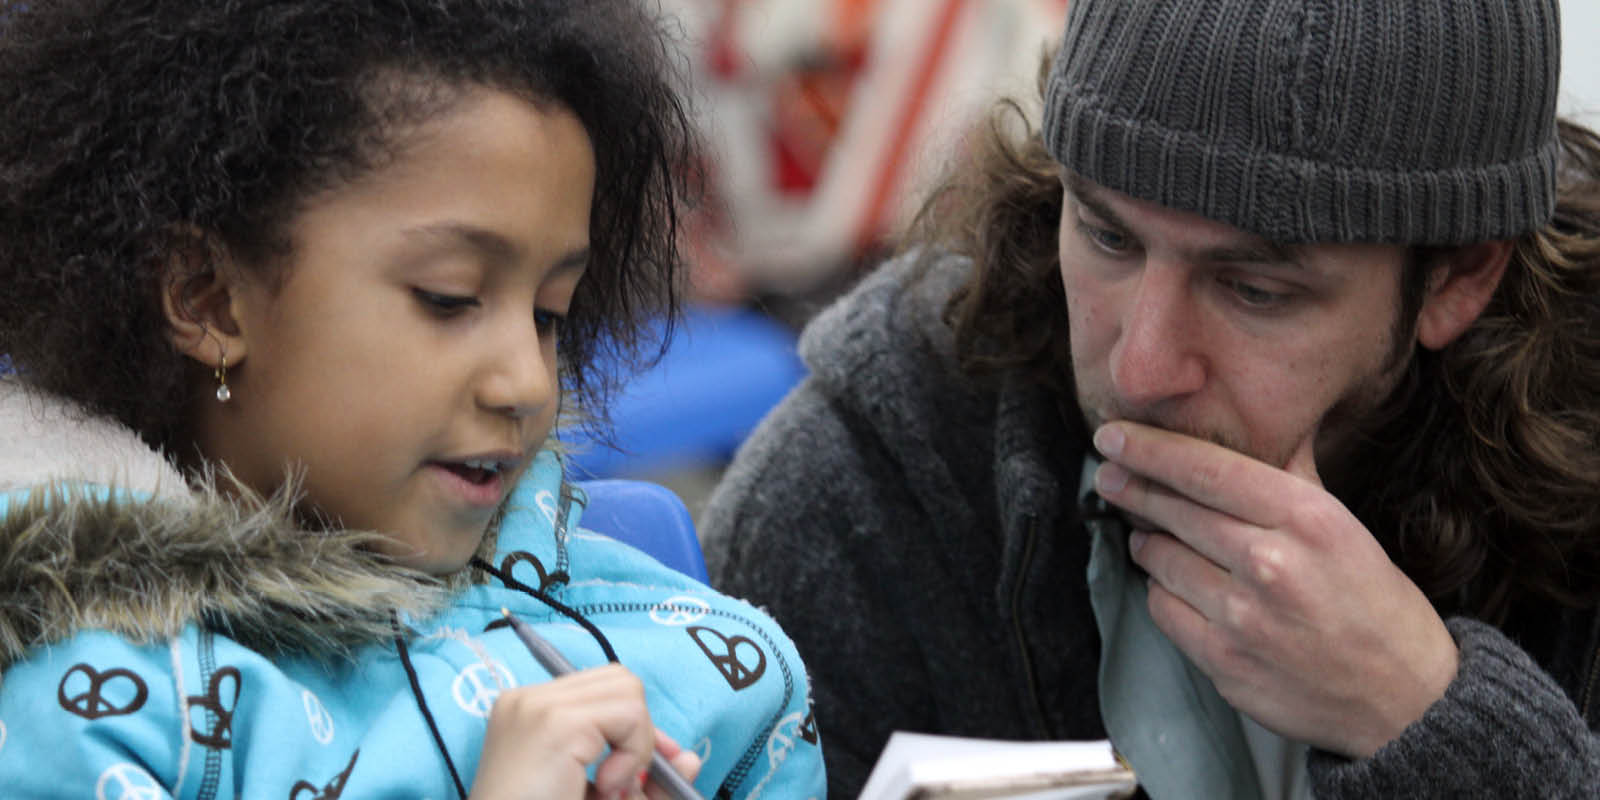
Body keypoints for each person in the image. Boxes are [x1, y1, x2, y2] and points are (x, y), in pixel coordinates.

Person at [702, 0, 1600, 797]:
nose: (1140, 368)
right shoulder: (859, 500)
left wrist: (1424, 716)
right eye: (1106, 236)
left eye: (1254, 290)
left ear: (1459, 280)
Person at [0, 2, 824, 798]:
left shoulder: (693, 663)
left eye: (549, 314)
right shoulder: (89, 713)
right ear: (209, 299)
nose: (528, 383)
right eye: (449, 297)